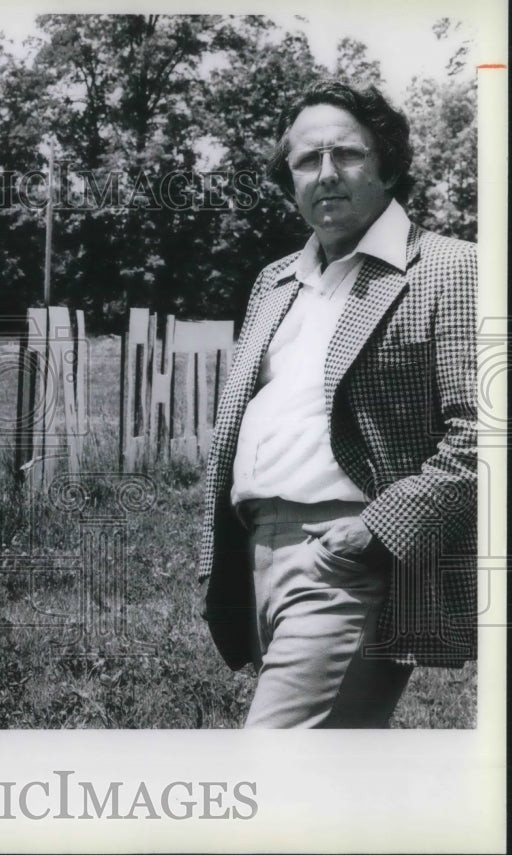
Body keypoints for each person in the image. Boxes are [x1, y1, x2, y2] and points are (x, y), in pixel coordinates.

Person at [197, 80, 477, 728]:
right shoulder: (276, 281)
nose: (325, 175)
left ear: (388, 162)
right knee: (330, 787)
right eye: (305, 160)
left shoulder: (449, 268)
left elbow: (486, 430)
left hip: (350, 559)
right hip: (257, 555)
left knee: (276, 772)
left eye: (346, 154)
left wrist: (377, 530)